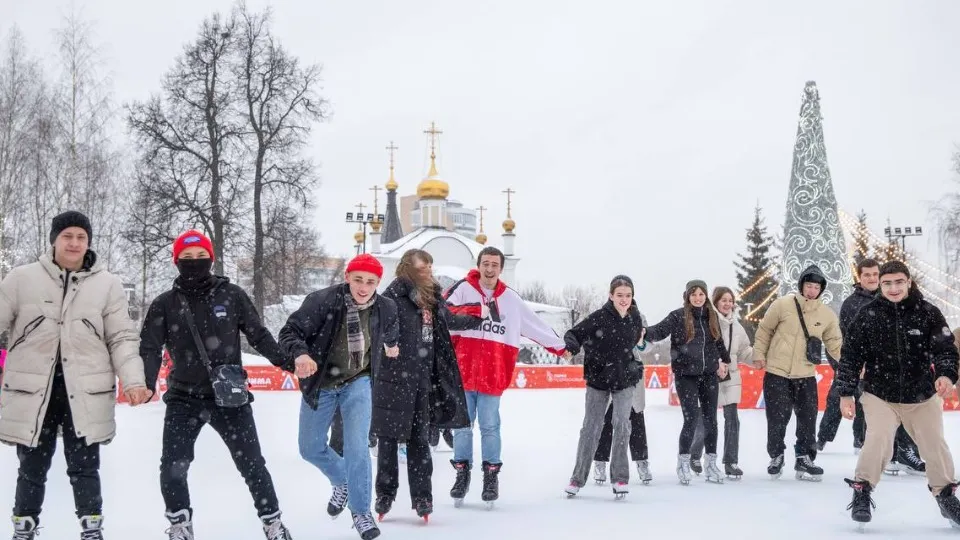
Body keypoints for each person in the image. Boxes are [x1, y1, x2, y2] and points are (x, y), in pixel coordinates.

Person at [0, 210, 151, 540]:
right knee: (31, 469)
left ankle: (91, 529)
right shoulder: (21, 279)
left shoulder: (107, 285)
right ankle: (23, 528)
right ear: (54, 239)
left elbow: (122, 337)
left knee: (85, 467)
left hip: (84, 392)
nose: (74, 243)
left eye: (81, 237)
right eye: (67, 235)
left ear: (88, 242)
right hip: (32, 391)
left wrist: (134, 380)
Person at [139, 230, 294, 540]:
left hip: (229, 397)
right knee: (173, 466)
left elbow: (258, 334)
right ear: (177, 261)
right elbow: (149, 347)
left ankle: (273, 523)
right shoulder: (165, 304)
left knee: (252, 464)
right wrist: (146, 383)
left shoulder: (231, 295)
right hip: (183, 398)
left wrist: (286, 362)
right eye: (187, 258)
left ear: (210, 258)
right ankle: (180, 525)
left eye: (200, 257)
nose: (194, 263)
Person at [279, 254, 399, 540]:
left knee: (358, 447)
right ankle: (341, 480)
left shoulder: (386, 307)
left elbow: (391, 329)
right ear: (347, 277)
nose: (363, 287)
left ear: (378, 283)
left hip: (359, 381)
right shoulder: (323, 301)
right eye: (358, 279)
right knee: (310, 448)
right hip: (321, 382)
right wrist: (301, 352)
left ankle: (360, 512)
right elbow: (289, 332)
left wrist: (392, 344)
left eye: (370, 282)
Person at [838, 261, 960, 528]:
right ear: (880, 285)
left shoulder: (928, 313)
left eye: (899, 282)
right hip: (880, 394)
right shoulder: (868, 315)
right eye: (887, 283)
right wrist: (845, 393)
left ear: (908, 282)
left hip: (922, 395)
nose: (893, 288)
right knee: (878, 438)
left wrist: (945, 374)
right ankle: (862, 490)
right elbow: (850, 356)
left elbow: (945, 349)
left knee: (934, 444)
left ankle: (946, 496)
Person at [444, 246, 566, 507]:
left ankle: (490, 477)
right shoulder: (462, 289)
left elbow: (536, 325)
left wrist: (561, 346)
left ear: (500, 268)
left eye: (494, 265)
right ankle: (462, 474)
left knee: (490, 428)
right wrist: (476, 311)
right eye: (485, 264)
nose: (489, 269)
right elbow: (443, 314)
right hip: (462, 374)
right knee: (462, 428)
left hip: (492, 375)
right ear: (479, 265)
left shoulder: (511, 299)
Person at [373, 249, 481, 521]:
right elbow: (383, 327)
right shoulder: (391, 297)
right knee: (388, 440)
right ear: (408, 268)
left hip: (423, 380)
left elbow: (449, 320)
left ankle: (423, 498)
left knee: (419, 441)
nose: (429, 272)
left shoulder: (431, 298)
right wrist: (391, 341)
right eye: (423, 268)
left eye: (431, 267)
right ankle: (385, 494)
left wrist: (477, 318)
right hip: (393, 379)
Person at [753, 265, 841, 482]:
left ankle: (804, 457)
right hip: (777, 372)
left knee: (808, 418)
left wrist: (852, 365)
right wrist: (759, 354)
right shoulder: (782, 305)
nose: (812, 290)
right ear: (802, 285)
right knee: (777, 417)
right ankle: (776, 456)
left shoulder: (826, 314)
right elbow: (765, 330)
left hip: (805, 374)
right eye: (808, 285)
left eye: (816, 287)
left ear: (821, 290)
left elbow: (835, 343)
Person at [563, 275, 645, 499]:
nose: (624, 300)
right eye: (619, 295)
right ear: (611, 295)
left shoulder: (634, 318)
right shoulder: (599, 318)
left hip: (625, 379)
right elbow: (574, 334)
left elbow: (639, 339)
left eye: (628, 296)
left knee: (621, 424)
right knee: (591, 427)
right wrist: (571, 346)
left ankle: (620, 478)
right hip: (599, 379)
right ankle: (577, 478)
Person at [643, 280, 731, 485]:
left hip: (709, 374)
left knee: (711, 420)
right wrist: (644, 332)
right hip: (685, 376)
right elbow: (660, 330)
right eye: (694, 294)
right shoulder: (677, 316)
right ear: (687, 296)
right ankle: (683, 462)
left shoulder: (711, 316)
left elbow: (717, 341)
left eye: (701, 294)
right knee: (691, 419)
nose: (698, 298)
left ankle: (710, 463)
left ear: (706, 296)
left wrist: (724, 360)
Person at [690, 286, 754, 480]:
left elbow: (745, 351)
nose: (727, 304)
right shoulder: (708, 321)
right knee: (706, 419)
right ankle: (694, 455)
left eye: (730, 300)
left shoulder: (737, 326)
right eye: (723, 300)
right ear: (716, 302)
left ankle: (730, 461)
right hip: (709, 374)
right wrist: (715, 362)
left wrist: (760, 356)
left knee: (732, 418)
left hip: (731, 376)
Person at [817, 259, 876, 454]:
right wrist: (847, 365)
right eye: (867, 275)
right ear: (860, 277)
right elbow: (842, 338)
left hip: (876, 365)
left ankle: (860, 441)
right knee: (836, 399)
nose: (872, 278)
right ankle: (823, 437)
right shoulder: (852, 304)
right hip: (851, 362)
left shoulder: (886, 298)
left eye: (875, 274)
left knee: (865, 403)